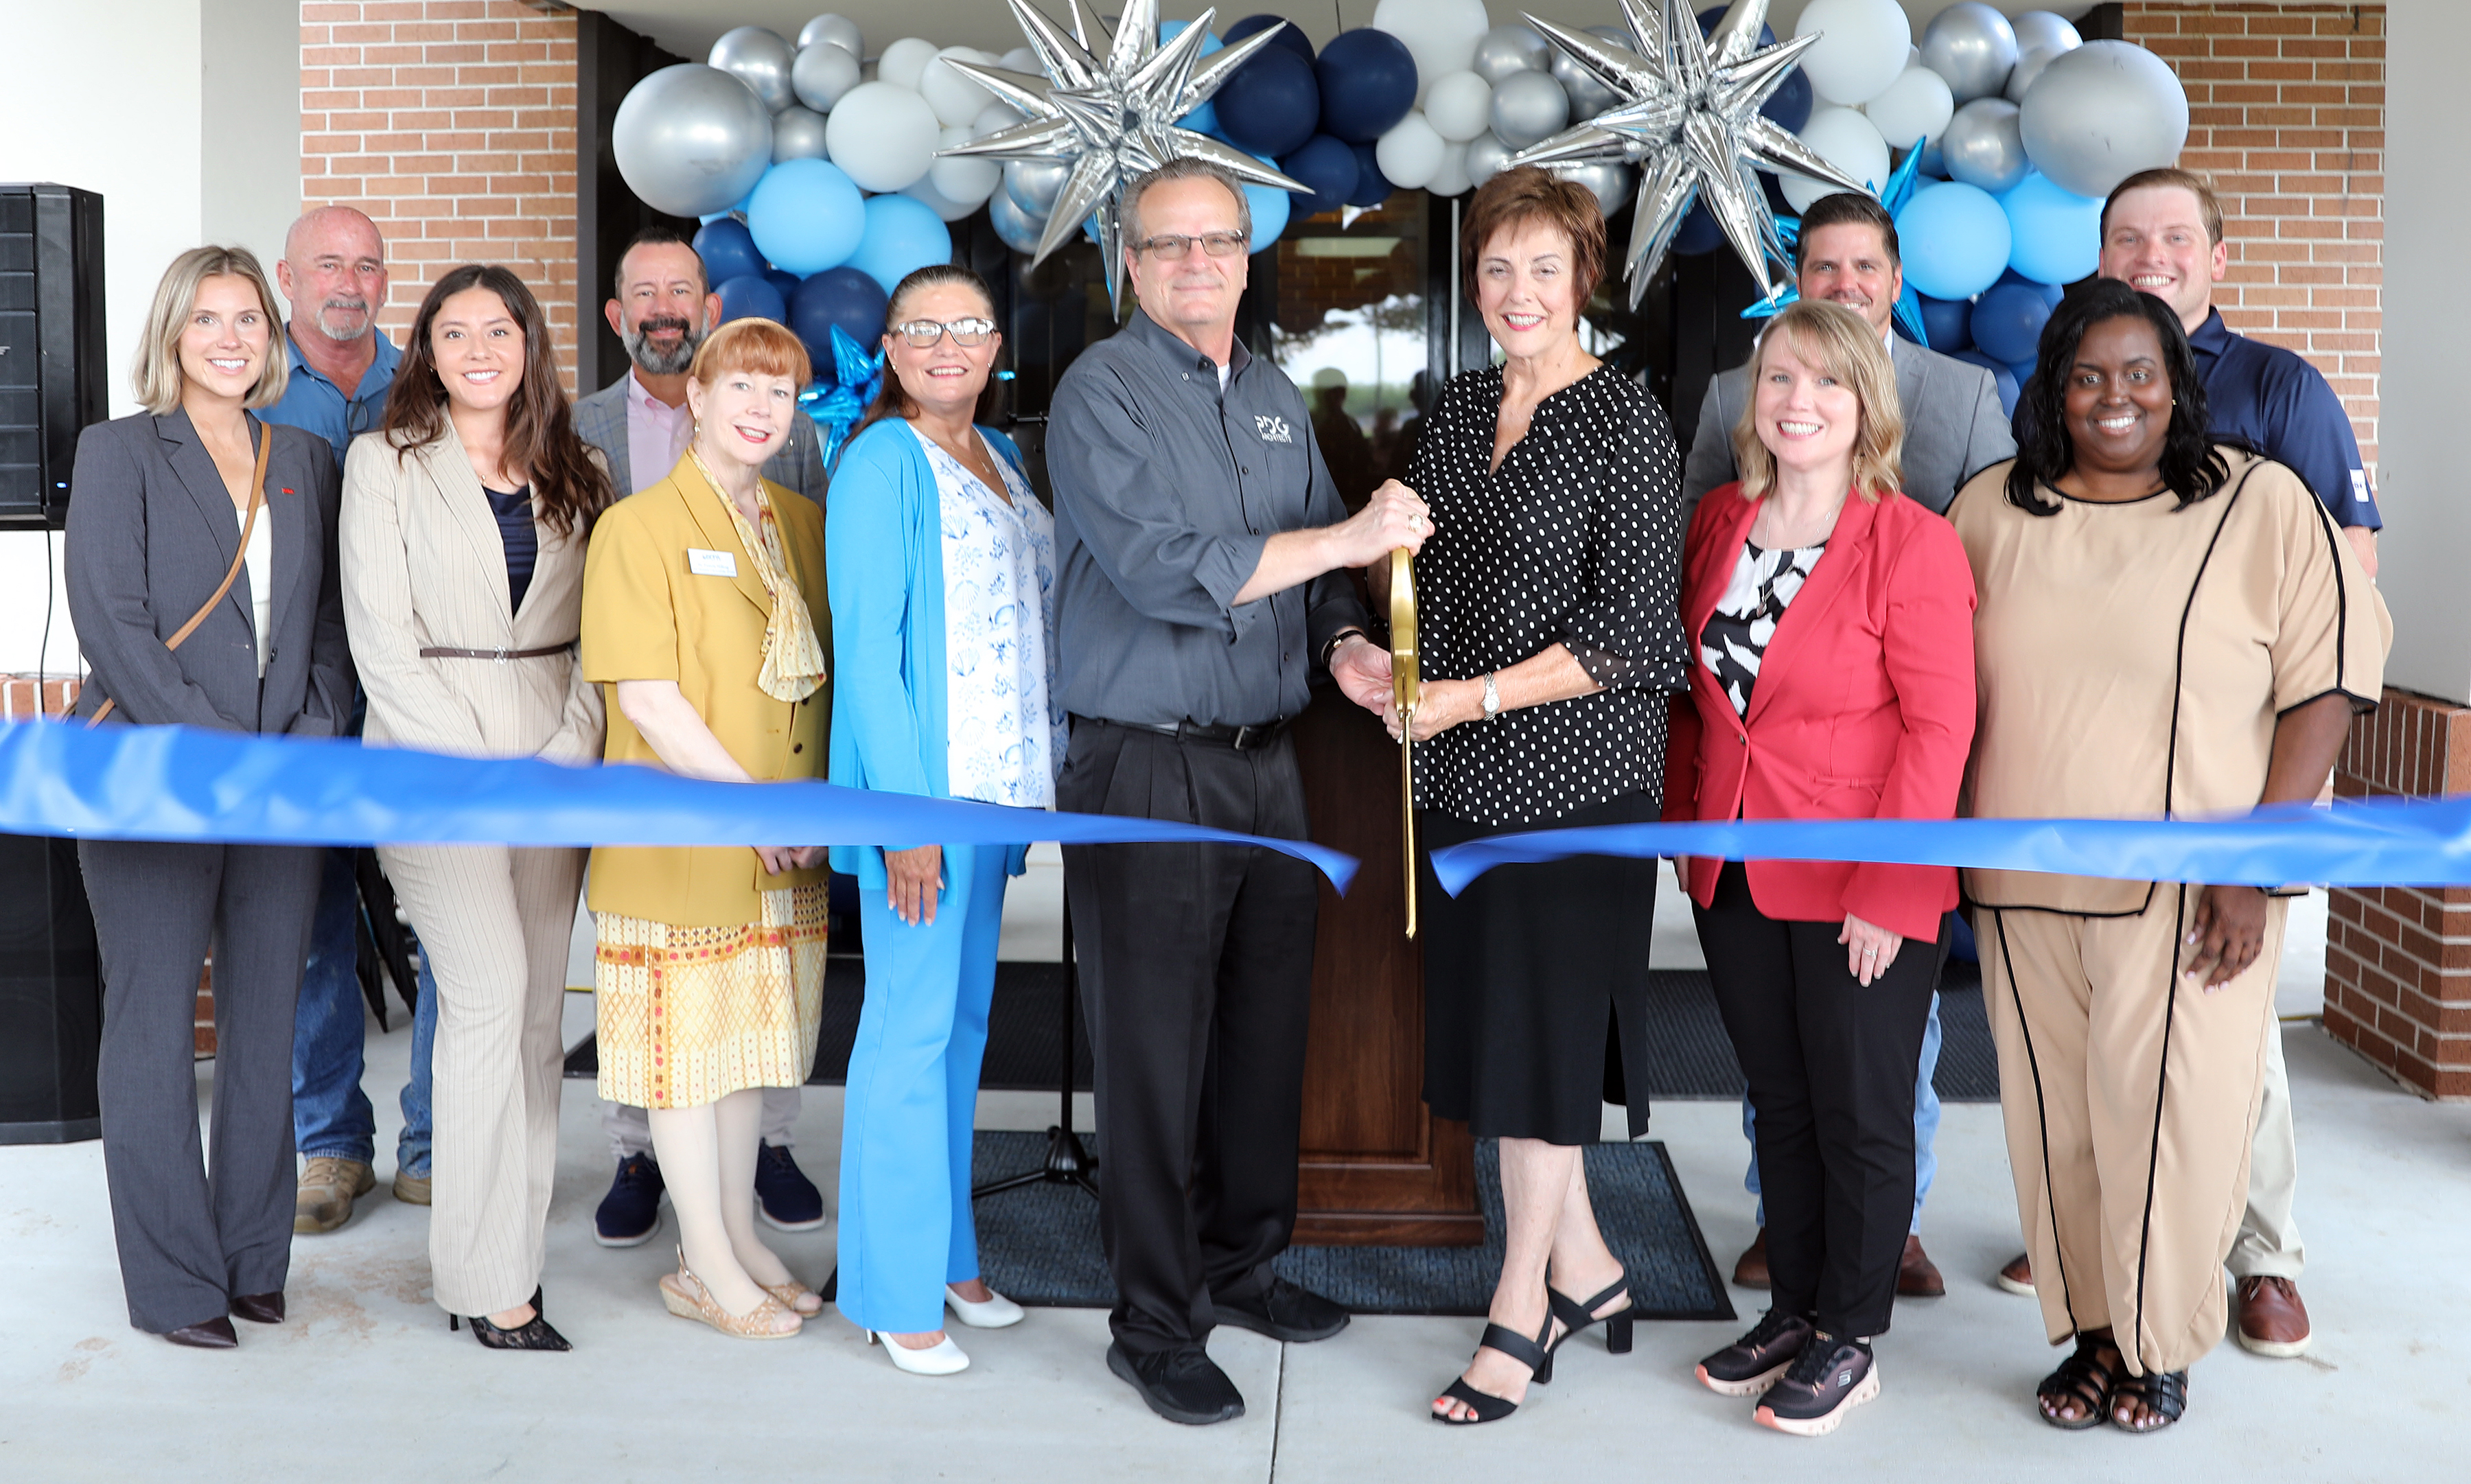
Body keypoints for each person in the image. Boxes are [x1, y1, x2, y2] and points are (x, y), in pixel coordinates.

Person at [1949, 280, 2384, 1432]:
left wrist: (2254, 864)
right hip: (2022, 879)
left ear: (2178, 385)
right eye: (2086, 376)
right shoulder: (1990, 508)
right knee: (2062, 1124)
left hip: (2196, 892)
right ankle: (2094, 1331)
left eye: (2140, 373)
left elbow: (2329, 685)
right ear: (2051, 389)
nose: (2114, 398)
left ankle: (2162, 1340)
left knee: (2175, 1119)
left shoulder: (2262, 503)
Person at [1045, 156, 1426, 1426]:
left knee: (1268, 1030)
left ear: (1246, 257)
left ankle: (1242, 1263)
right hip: (1146, 759)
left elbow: (1312, 572)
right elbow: (1167, 570)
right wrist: (1350, 544)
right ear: (1132, 262)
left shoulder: (1267, 393)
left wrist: (1346, 646)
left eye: (1218, 243)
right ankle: (1154, 1322)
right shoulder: (1101, 392)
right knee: (1155, 1052)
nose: (1197, 263)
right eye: (1170, 246)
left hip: (1270, 762)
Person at [1361, 165, 1686, 1426]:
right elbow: (1412, 570)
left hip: (1578, 789)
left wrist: (1473, 696)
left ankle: (1520, 1310)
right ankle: (1594, 1267)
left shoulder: (1627, 419)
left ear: (1583, 277)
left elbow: (1635, 632)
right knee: (1509, 1038)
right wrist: (1366, 647)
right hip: (1458, 780)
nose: (1518, 291)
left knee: (1544, 1052)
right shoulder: (1456, 408)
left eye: (1543, 267)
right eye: (1497, 269)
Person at [1680, 191, 2010, 1298]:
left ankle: (1846, 1332)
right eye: (1780, 376)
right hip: (1733, 866)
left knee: (1863, 1111)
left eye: (1826, 380)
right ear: (1752, 396)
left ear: (1867, 400)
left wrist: (1898, 882)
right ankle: (1792, 1313)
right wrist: (1690, 837)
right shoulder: (1722, 520)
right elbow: (1698, 698)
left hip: (1859, 872)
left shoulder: (1912, 540)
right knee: (1779, 1099)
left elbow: (1940, 724)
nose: (1799, 398)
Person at [65, 245, 351, 1346]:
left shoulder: (303, 457)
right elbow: (113, 622)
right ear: (172, 333)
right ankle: (178, 1282)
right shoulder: (120, 450)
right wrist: (221, 749)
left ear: (271, 340)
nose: (231, 338)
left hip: (280, 786)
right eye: (208, 319)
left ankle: (250, 1259)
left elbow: (324, 625)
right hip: (157, 782)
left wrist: (310, 737)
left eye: (249, 320)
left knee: (264, 1025)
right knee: (149, 1034)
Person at [340, 264, 611, 1349]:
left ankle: (519, 1249)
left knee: (541, 1017)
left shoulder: (577, 465)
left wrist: (566, 745)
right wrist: (475, 766)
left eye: (497, 329)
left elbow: (604, 631)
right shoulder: (385, 463)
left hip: (553, 750)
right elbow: (379, 639)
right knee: (490, 995)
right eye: (455, 333)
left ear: (528, 343)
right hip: (427, 755)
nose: (478, 349)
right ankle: (481, 1273)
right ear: (430, 353)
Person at [571, 225, 833, 1245]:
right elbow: (646, 695)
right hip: (689, 831)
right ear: (697, 398)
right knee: (682, 1060)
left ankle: (735, 1248)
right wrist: (757, 806)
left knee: (745, 1058)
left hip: (780, 850)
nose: (763, 409)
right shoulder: (635, 524)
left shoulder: (799, 522)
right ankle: (710, 1263)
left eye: (782, 393)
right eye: (742, 390)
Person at [825, 264, 1055, 1375]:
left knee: (961, 1033)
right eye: (924, 327)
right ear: (892, 346)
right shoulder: (880, 461)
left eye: (967, 325)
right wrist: (904, 815)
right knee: (906, 1039)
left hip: (993, 798)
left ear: (996, 342)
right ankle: (888, 1285)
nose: (947, 343)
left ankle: (953, 1254)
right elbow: (868, 654)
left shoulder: (1000, 458)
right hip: (924, 802)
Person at [262, 205, 427, 1234]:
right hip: (295, 704)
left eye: (368, 265)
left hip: (419, 697)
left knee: (444, 924)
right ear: (288, 275)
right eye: (328, 263)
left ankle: (437, 1140)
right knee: (311, 931)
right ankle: (329, 1145)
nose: (350, 281)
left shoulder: (429, 382)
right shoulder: (250, 388)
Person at [1308, 367, 1378, 511]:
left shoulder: (1351, 425)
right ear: (1319, 392)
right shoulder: (1307, 422)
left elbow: (1364, 462)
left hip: (1352, 499)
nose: (1337, 396)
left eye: (1340, 390)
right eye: (1331, 390)